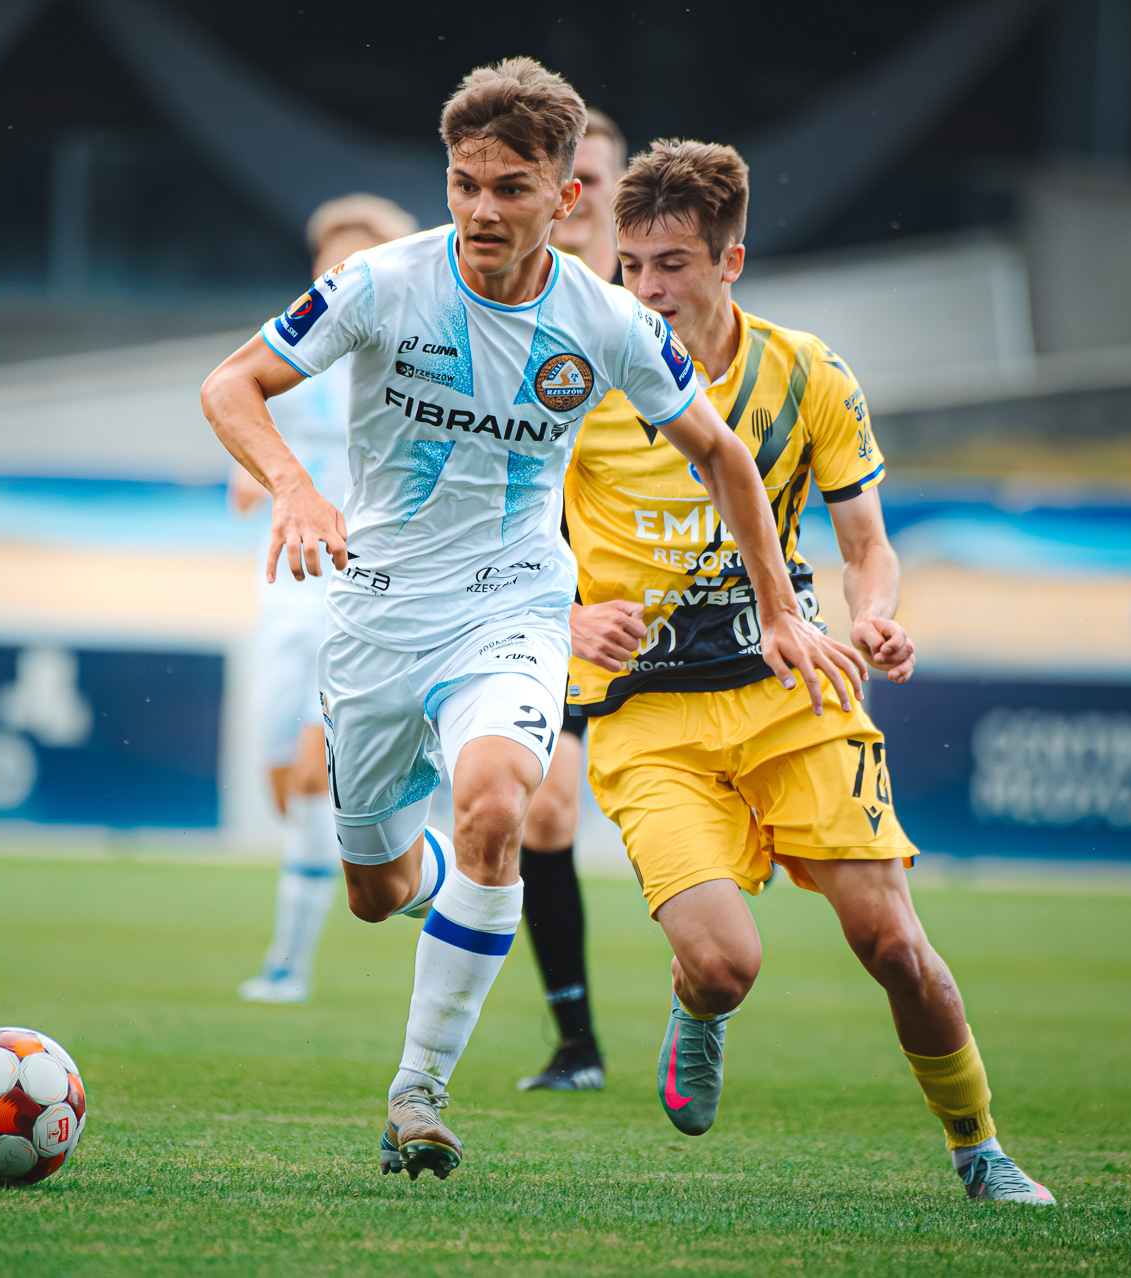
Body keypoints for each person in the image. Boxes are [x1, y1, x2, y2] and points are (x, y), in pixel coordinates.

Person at [200, 59, 843, 1182]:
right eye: (465, 184)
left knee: (499, 801)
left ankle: (418, 1095)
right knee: (376, 893)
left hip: (512, 604)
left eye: (511, 187)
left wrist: (780, 607)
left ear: (566, 195)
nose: (483, 209)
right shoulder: (378, 283)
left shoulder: (606, 320)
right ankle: (444, 888)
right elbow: (229, 386)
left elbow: (725, 456)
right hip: (378, 616)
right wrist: (296, 489)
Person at [564, 140, 1057, 1205]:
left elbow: (868, 544)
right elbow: (502, 538)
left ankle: (980, 1149)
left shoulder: (808, 373)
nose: (647, 289)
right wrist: (568, 614)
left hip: (793, 694)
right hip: (647, 717)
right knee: (724, 964)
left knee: (893, 944)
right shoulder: (577, 379)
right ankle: (698, 1006)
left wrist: (874, 617)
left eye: (673, 264)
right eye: (632, 265)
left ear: (730, 261)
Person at [236, 195, 419, 1005]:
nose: (339, 275)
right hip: (287, 591)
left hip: (364, 588)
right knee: (286, 788)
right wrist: (252, 475)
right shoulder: (290, 352)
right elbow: (247, 428)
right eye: (329, 262)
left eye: (356, 262)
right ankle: (424, 868)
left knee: (316, 777)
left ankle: (288, 966)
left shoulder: (408, 357)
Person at [514, 105, 627, 1093]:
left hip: (655, 601)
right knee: (545, 812)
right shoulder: (511, 310)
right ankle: (577, 1041)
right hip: (542, 594)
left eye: (596, 173)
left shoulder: (649, 317)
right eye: (567, 173)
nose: (580, 191)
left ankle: (704, 989)